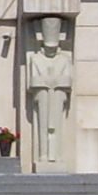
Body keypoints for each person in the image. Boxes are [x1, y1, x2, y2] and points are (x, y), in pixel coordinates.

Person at [25, 16, 74, 164]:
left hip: (58, 96)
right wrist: (47, 82)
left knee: (56, 127)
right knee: (43, 125)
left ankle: (57, 155)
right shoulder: (36, 59)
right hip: (43, 95)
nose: (50, 50)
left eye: (53, 47)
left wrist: (55, 82)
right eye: (48, 47)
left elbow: (67, 80)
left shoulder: (64, 59)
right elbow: (33, 81)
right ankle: (43, 155)